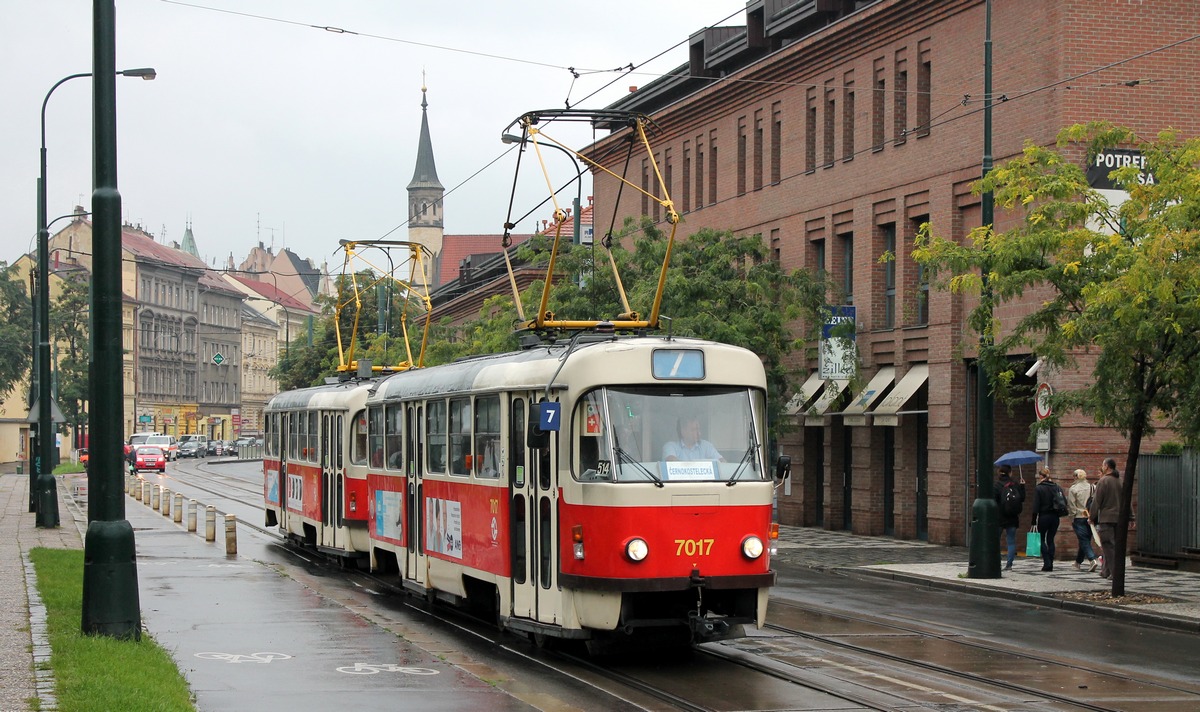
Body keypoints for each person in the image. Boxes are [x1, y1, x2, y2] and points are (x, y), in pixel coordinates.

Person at [1090, 457, 1122, 579]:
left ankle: (1114, 573)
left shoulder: (1103, 481)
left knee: (1108, 546)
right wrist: (1131, 517)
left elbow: (1097, 501)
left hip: (1106, 518)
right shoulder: (1120, 481)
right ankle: (1106, 571)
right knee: (1114, 546)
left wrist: (1091, 516)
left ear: (1107, 466)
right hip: (1119, 518)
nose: (1102, 467)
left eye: (1103, 465)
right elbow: (1126, 500)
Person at [1030, 467, 1062, 571]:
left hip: (1044, 516)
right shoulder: (1056, 487)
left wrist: (1033, 520)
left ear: (1041, 476)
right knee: (1050, 539)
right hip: (1055, 517)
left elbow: (1036, 506)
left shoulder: (1039, 488)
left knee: (1041, 539)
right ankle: (1051, 562)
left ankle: (1047, 562)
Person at [994, 464, 1025, 570]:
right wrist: (1022, 486)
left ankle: (996, 563)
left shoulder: (997, 485)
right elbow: (1022, 498)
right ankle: (1009, 564)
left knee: (996, 540)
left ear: (999, 473)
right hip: (1012, 517)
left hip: (999, 517)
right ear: (1010, 473)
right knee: (1011, 541)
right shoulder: (1015, 484)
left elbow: (994, 501)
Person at [1067, 468, 1099, 572]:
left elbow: (1071, 505)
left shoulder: (1073, 489)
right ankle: (1078, 562)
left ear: (1076, 477)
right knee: (1085, 539)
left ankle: (1092, 559)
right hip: (1090, 517)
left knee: (1083, 540)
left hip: (1079, 516)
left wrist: (1072, 516)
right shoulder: (1093, 487)